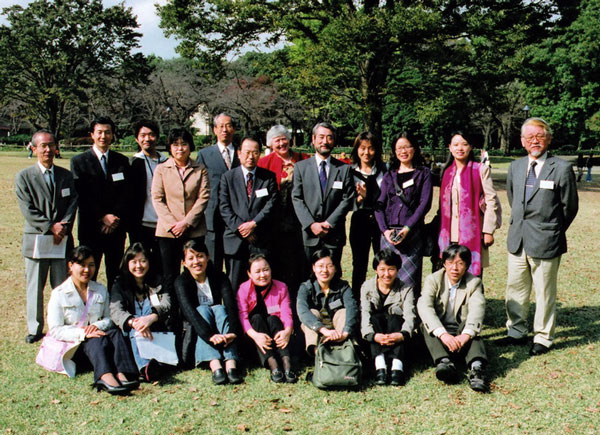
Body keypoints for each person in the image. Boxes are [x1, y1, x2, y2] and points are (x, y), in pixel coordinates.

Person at [500, 118, 578, 355]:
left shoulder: (561, 168)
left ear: (549, 139)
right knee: (515, 288)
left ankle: (543, 337)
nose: (535, 140)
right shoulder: (515, 167)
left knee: (544, 292)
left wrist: (552, 229)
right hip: (518, 239)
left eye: (540, 135)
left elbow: (569, 207)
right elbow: (514, 200)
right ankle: (516, 331)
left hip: (546, 240)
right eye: (530, 136)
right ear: (523, 142)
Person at [47, 246, 139, 395]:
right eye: (82, 265)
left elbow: (109, 318)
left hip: (100, 344)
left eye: (91, 265)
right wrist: (83, 333)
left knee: (114, 332)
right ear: (71, 265)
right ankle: (105, 376)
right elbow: (55, 330)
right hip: (75, 348)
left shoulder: (100, 289)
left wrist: (95, 326)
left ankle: (123, 372)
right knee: (94, 338)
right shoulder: (59, 294)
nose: (87, 270)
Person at [15, 130, 78, 343]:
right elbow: (28, 209)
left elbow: (72, 204)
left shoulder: (65, 176)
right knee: (35, 286)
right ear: (33, 149)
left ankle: (61, 324)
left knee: (61, 285)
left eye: (51, 145)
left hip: (61, 239)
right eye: (43, 146)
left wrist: (64, 227)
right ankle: (35, 328)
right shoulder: (24, 177)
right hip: (37, 240)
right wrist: (51, 226)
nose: (48, 150)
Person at [417, 244, 488, 393]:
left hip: (460, 330)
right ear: (444, 264)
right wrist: (442, 334)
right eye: (450, 263)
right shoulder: (433, 279)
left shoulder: (474, 283)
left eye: (460, 263)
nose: (454, 268)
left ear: (467, 266)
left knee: (473, 330)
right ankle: (444, 363)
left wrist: (465, 336)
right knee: (425, 325)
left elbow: (477, 309)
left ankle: (477, 369)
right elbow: (425, 306)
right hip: (440, 332)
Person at [71, 117, 130, 290]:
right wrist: (102, 217)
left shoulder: (122, 161)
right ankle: (88, 312)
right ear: (92, 135)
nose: (103, 136)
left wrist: (114, 218)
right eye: (99, 132)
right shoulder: (79, 162)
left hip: (116, 229)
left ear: (112, 135)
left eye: (108, 132)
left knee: (116, 275)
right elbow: (82, 194)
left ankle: (115, 312)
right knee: (88, 273)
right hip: (91, 228)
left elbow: (126, 194)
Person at [174, 240, 243, 384]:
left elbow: (230, 304)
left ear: (208, 257)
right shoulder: (181, 282)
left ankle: (231, 363)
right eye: (191, 258)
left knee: (219, 308)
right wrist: (209, 335)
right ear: (184, 263)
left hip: (219, 323)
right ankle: (215, 365)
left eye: (200, 256)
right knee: (202, 309)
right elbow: (189, 312)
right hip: (198, 328)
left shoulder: (219, 276)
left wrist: (233, 331)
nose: (196, 262)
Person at [292, 122, 355, 274]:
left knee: (333, 275)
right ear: (313, 139)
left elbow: (347, 198)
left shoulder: (344, 169)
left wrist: (329, 223)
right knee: (307, 276)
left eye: (329, 137)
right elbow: (296, 198)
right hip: (309, 235)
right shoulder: (301, 168)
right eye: (321, 137)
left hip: (333, 234)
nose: (325, 141)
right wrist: (311, 224)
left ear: (334, 140)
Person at [438, 131, 502, 277]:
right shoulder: (446, 172)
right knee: (451, 273)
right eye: (455, 145)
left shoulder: (480, 169)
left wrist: (488, 231)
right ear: (449, 147)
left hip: (473, 232)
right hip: (449, 233)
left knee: (472, 276)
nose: (460, 148)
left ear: (471, 147)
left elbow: (491, 201)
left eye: (464, 144)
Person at [375, 132, 433, 290]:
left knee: (409, 281)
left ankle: (408, 313)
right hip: (389, 235)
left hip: (412, 234)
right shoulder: (389, 176)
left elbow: (424, 204)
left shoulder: (424, 174)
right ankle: (387, 312)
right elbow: (379, 205)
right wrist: (385, 231)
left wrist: (408, 228)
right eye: (399, 147)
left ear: (414, 149)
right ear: (394, 151)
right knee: (387, 277)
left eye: (407, 146)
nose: (403, 151)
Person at [151, 127, 210, 283]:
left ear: (190, 146)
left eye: (183, 144)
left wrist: (186, 223)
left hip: (194, 230)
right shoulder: (161, 169)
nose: (180, 148)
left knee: (195, 273)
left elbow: (203, 198)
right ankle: (172, 307)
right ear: (170, 147)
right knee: (170, 275)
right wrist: (173, 224)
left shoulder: (200, 169)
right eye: (175, 144)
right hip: (168, 232)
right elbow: (157, 198)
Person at [219, 137, 278, 291]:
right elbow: (224, 207)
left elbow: (271, 204)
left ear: (260, 154)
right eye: (247, 152)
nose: (250, 156)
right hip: (236, 240)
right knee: (235, 283)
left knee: (262, 281)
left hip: (260, 239)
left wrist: (253, 224)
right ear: (239, 153)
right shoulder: (228, 177)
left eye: (255, 152)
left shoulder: (268, 177)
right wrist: (242, 228)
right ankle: (235, 315)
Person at [110, 243, 175, 382]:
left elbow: (167, 303)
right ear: (127, 263)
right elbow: (116, 310)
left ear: (149, 262)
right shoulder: (119, 283)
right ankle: (146, 367)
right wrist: (133, 322)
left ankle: (150, 367)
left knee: (144, 316)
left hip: (155, 328)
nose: (139, 266)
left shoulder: (158, 281)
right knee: (136, 328)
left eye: (143, 261)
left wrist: (151, 318)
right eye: (134, 262)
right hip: (131, 331)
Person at [257, 125, 309, 297]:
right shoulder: (264, 163)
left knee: (298, 262)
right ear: (271, 144)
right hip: (274, 222)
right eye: (277, 140)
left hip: (300, 220)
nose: (281, 143)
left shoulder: (303, 159)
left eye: (284, 139)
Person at [236, 254, 297, 383]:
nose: (263, 275)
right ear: (249, 274)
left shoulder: (281, 287)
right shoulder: (243, 289)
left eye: (266, 270)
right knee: (257, 318)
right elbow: (243, 316)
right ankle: (273, 365)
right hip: (255, 338)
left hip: (277, 334)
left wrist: (287, 331)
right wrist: (255, 335)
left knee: (273, 319)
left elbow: (287, 312)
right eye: (257, 271)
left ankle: (287, 364)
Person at [360, 249, 415, 386]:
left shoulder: (406, 289)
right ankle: (380, 366)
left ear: (397, 270)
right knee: (374, 319)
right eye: (382, 269)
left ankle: (397, 366)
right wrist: (372, 336)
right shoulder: (366, 287)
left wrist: (402, 335)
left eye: (391, 269)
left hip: (396, 331)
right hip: (376, 332)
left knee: (395, 318)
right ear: (376, 269)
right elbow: (365, 314)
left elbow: (410, 316)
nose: (386, 274)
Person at [196, 113, 240, 272]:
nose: (225, 130)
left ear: (234, 129)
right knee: (213, 263)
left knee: (235, 264)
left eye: (228, 126)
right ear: (214, 130)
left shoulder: (242, 154)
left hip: (237, 216)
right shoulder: (205, 155)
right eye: (220, 126)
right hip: (212, 216)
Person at [297, 249, 358, 355]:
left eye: (329, 266)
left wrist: (345, 332)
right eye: (320, 266)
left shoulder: (343, 286)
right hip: (318, 330)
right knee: (312, 313)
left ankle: (344, 351)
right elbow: (302, 310)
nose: (324, 270)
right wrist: (324, 330)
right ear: (313, 268)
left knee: (343, 312)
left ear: (335, 268)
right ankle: (318, 354)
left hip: (339, 331)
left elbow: (352, 308)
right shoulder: (306, 287)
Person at [349, 131, 386, 296]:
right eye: (362, 148)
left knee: (383, 261)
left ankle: (384, 297)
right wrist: (358, 198)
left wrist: (369, 195)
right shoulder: (350, 172)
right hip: (360, 220)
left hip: (381, 221)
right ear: (357, 149)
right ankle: (358, 300)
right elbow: (346, 202)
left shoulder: (384, 170)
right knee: (359, 263)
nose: (366, 153)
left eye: (371, 148)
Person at [128, 120, 168, 274]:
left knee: (162, 266)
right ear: (137, 139)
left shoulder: (166, 162)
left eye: (151, 135)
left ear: (157, 137)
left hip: (164, 224)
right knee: (140, 265)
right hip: (141, 224)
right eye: (143, 135)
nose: (147, 139)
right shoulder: (132, 163)